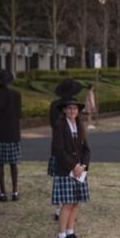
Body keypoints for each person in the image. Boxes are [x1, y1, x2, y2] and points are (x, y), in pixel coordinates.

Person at [50, 96, 90, 238]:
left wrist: (83, 165)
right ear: (64, 110)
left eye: (75, 108)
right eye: (69, 108)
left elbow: (86, 149)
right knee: (67, 204)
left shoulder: (79, 125)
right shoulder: (60, 125)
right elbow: (58, 150)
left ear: (78, 111)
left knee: (75, 203)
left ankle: (70, 232)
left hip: (80, 170)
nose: (72, 111)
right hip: (66, 169)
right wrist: (74, 166)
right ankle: (61, 236)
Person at [48, 78, 84, 220]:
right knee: (68, 179)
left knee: (60, 179)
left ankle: (60, 209)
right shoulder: (73, 104)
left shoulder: (54, 105)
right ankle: (64, 210)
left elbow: (53, 124)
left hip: (58, 148)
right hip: (70, 148)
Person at [0, 69, 21, 202]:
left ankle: (2, 193)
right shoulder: (16, 94)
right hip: (13, 133)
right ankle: (15, 192)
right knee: (14, 164)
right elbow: (19, 114)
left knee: (0, 164)